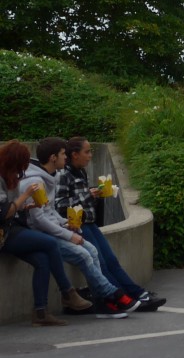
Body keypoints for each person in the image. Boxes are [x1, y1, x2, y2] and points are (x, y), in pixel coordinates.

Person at [20, 137, 136, 318]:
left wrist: (66, 224)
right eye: (62, 154)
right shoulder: (36, 182)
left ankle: (102, 302)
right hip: (42, 235)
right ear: (53, 158)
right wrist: (68, 234)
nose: (65, 158)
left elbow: (50, 212)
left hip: (52, 230)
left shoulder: (49, 178)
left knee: (91, 250)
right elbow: (38, 220)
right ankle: (112, 294)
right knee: (83, 254)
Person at [56, 137, 165, 311]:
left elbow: (79, 196)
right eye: (87, 151)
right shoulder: (63, 174)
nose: (90, 155)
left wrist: (96, 193)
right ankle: (121, 298)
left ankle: (137, 293)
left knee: (111, 260)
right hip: (78, 225)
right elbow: (60, 204)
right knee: (101, 263)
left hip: (90, 223)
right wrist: (88, 195)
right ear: (75, 154)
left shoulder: (80, 171)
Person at [0, 140, 93, 325]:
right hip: (5, 234)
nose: (24, 170)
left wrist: (28, 205)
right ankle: (67, 292)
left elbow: (13, 210)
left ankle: (40, 313)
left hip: (10, 229)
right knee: (49, 243)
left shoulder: (9, 176)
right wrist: (25, 196)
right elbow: (4, 213)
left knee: (42, 261)